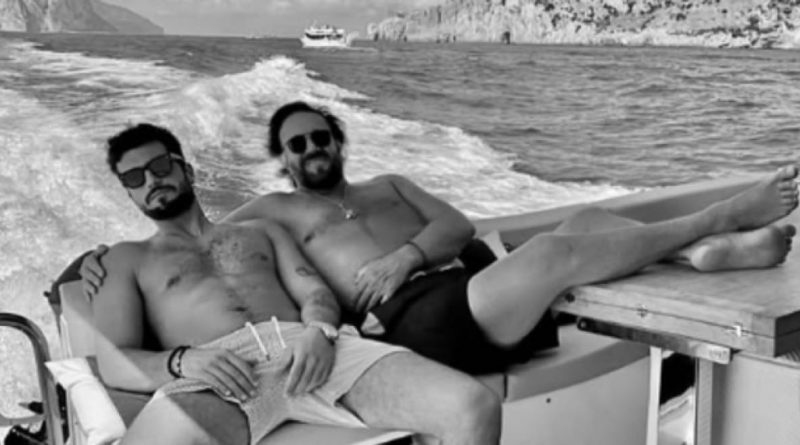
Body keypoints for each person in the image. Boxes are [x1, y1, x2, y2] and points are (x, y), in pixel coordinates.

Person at [85, 102, 799, 377]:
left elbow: (458, 227)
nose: (310, 149)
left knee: (583, 222)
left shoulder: (390, 185)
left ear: (337, 141)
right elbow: (205, 242)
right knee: (552, 253)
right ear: (284, 159)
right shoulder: (269, 211)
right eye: (296, 144)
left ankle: (698, 255)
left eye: (319, 137)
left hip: (460, 285)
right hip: (411, 323)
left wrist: (406, 254)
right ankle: (718, 219)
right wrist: (95, 268)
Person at [91, 123, 500, 445]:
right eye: (134, 178)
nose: (150, 181)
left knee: (474, 406)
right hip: (216, 373)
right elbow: (113, 361)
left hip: (309, 347)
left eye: (160, 167)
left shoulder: (262, 231)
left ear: (187, 170)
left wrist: (319, 330)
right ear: (130, 195)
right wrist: (183, 362)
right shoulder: (124, 259)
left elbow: (315, 293)